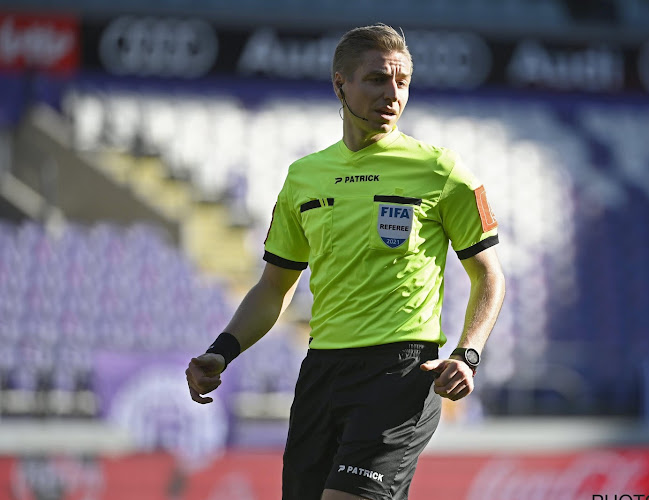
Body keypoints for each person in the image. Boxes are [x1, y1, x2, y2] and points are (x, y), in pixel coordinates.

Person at [186, 23, 506, 500]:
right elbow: (274, 287)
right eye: (377, 79)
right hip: (322, 373)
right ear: (341, 84)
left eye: (402, 82)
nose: (393, 94)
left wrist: (469, 352)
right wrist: (222, 350)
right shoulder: (304, 177)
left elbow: (489, 277)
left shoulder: (442, 171)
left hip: (401, 374)